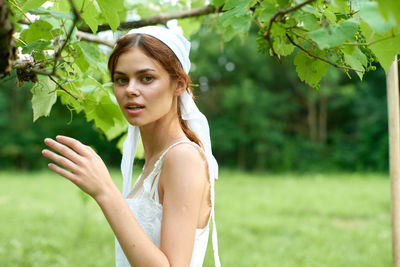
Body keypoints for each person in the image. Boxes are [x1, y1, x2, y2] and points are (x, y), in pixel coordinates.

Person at [41, 26, 221, 267]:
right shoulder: (157, 159)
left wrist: (105, 191)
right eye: (121, 79)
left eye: (147, 78)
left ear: (178, 85)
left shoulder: (183, 157)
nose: (130, 90)